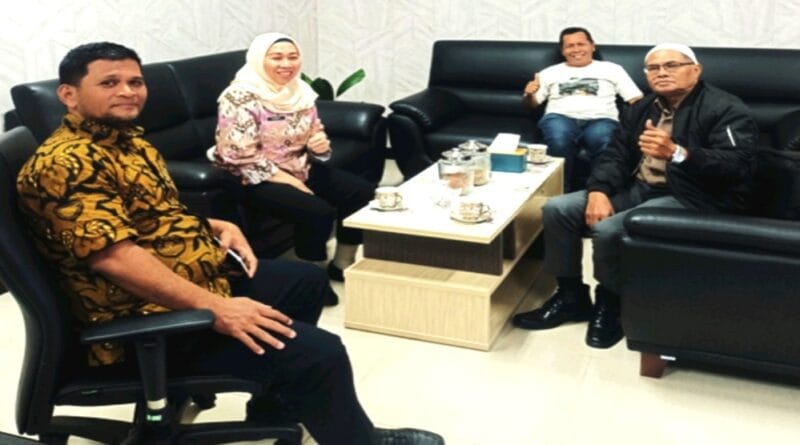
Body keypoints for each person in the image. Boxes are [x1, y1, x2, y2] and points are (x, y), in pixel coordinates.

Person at [16, 41, 443, 445]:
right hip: (138, 318)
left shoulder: (127, 142)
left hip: (187, 284)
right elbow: (115, 258)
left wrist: (212, 224)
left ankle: (274, 405)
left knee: (305, 282)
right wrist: (217, 308)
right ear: (69, 95)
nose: (128, 92)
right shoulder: (66, 162)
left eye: (135, 81)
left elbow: (146, 217)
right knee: (317, 352)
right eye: (109, 82)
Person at [513, 43, 758, 348]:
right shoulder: (642, 108)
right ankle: (571, 297)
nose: (662, 73)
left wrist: (678, 153)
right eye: (653, 68)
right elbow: (614, 155)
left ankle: (611, 302)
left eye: (671, 65)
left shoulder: (724, 107)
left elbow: (740, 165)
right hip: (638, 187)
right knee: (558, 209)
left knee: (608, 229)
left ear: (695, 70)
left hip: (690, 196)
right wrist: (599, 191)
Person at [211, 32, 374, 287]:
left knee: (361, 192)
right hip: (250, 176)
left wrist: (319, 145)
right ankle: (311, 278)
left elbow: (314, 131)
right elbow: (237, 154)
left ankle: (342, 263)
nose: (286, 64)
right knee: (318, 212)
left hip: (297, 167)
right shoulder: (240, 97)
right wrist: (290, 181)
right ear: (259, 60)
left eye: (293, 57)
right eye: (277, 58)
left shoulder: (299, 91)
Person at [523, 27, 643, 191]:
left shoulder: (612, 69)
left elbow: (635, 98)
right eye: (570, 46)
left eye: (581, 44)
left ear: (592, 46)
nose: (576, 49)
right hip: (560, 117)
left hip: (601, 119)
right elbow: (531, 105)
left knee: (604, 140)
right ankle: (558, 192)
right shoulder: (549, 73)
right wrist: (528, 94)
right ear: (563, 51)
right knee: (559, 139)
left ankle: (600, 192)